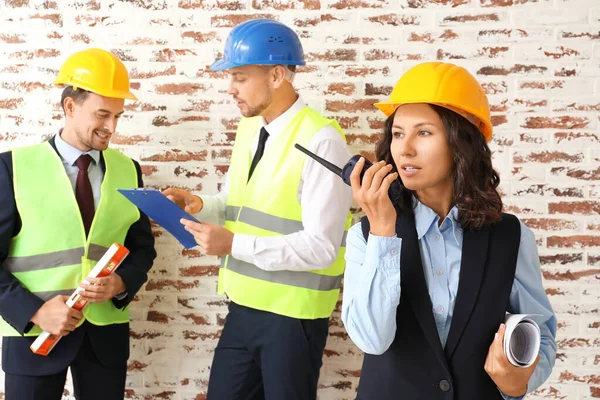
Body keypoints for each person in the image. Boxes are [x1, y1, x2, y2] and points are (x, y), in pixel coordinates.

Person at [341, 61, 557, 399]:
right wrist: (384, 231)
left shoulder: (511, 238)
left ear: (462, 143)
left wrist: (518, 382)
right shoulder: (365, 236)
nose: (405, 148)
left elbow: (540, 333)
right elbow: (372, 339)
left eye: (423, 132)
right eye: (398, 133)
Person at [163, 19, 353, 400]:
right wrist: (200, 204)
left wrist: (234, 245)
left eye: (240, 77)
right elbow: (240, 204)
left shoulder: (322, 141)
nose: (230, 89)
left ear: (277, 75)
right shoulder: (250, 128)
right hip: (244, 307)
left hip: (292, 318)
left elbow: (322, 246)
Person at [0, 48, 156, 400]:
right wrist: (35, 311)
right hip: (33, 337)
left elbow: (142, 248)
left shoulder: (128, 169)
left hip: (105, 340)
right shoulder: (12, 169)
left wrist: (120, 282)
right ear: (70, 107)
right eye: (102, 114)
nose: (111, 127)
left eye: (118, 116)